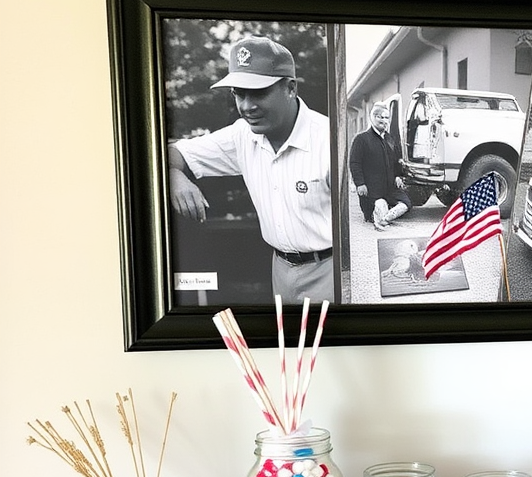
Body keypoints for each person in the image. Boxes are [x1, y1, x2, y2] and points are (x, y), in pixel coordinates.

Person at [168, 34, 334, 304]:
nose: (247, 106)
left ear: (290, 88)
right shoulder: (242, 135)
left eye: (258, 92)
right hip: (280, 267)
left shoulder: (331, 139)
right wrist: (175, 177)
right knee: (287, 346)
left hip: (332, 269)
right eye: (239, 94)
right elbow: (173, 152)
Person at [348, 101, 412, 229]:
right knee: (380, 204)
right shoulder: (361, 139)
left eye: (386, 117)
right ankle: (376, 215)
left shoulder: (390, 139)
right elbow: (355, 163)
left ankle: (383, 219)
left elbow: (396, 161)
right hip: (371, 189)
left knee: (406, 204)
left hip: (389, 188)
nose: (383, 120)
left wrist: (398, 176)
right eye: (380, 117)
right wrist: (360, 184)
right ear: (372, 118)